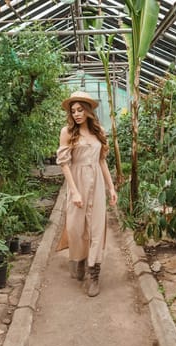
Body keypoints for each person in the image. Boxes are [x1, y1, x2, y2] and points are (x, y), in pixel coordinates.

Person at [56, 91, 118, 297]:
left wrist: (111, 187)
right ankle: (80, 259)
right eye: (73, 111)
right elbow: (64, 164)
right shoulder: (67, 132)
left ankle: (94, 273)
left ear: (88, 110)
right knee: (75, 228)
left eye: (80, 110)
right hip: (77, 182)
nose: (76, 114)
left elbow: (102, 161)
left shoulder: (98, 131)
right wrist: (73, 191)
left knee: (97, 228)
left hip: (98, 183)